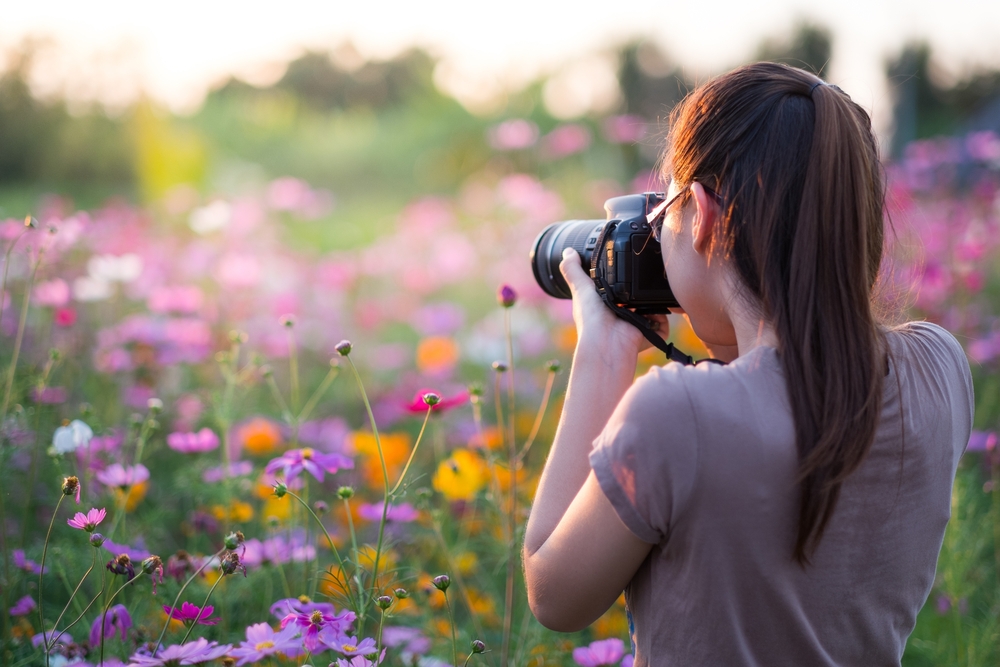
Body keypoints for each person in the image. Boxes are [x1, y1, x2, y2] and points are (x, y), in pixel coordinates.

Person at [522, 62, 974, 666]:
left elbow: (554, 597)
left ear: (703, 215)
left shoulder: (676, 416)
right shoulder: (941, 368)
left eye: (663, 217)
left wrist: (602, 354)